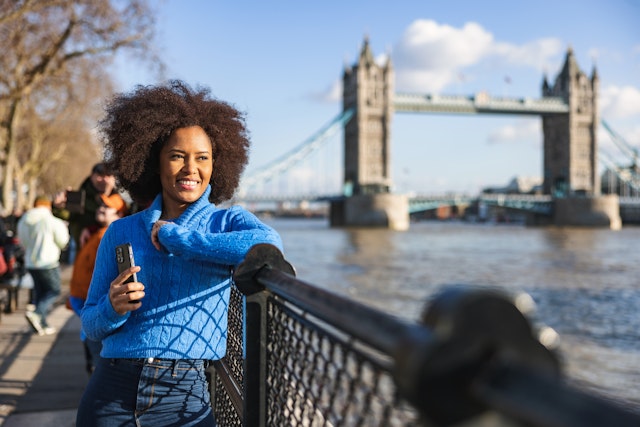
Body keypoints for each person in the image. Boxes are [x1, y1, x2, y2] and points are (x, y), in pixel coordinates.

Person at [76, 80, 283, 427]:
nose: (191, 169)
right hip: (111, 388)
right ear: (154, 163)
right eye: (177, 156)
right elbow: (91, 326)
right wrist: (113, 308)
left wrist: (178, 239)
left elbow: (269, 244)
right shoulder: (120, 231)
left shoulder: (227, 221)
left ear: (217, 165)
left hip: (184, 396)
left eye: (203, 158)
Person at [68, 194, 128, 375]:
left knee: (97, 361)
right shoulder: (96, 233)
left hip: (96, 307)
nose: (101, 208)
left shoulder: (111, 237)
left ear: (119, 214)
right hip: (84, 304)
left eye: (107, 207)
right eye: (100, 204)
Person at [17, 196, 70, 335]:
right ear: (48, 206)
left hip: (30, 261)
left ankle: (42, 323)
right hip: (48, 261)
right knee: (54, 291)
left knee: (40, 293)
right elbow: (63, 241)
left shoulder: (24, 220)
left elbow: (22, 241)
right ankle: (36, 314)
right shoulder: (51, 220)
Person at [53, 162, 122, 254]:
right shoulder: (81, 197)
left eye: (108, 175)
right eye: (100, 175)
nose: (104, 179)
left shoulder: (121, 202)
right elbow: (69, 215)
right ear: (92, 176)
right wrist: (59, 206)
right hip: (85, 251)